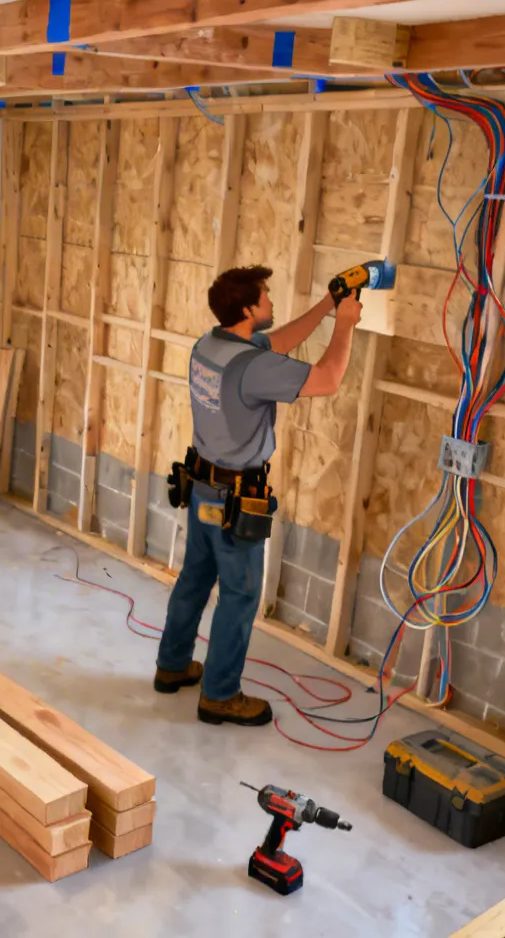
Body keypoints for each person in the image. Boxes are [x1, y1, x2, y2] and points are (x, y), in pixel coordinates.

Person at [153, 265, 360, 727]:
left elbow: (278, 342)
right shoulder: (253, 368)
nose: (270, 302)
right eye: (265, 297)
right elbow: (327, 380)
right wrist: (344, 325)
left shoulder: (212, 347)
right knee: (240, 597)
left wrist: (328, 306)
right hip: (236, 501)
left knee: (194, 580)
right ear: (248, 309)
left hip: (203, 486)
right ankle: (220, 696)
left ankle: (172, 666)